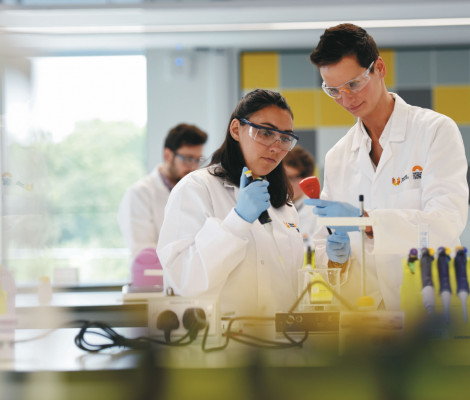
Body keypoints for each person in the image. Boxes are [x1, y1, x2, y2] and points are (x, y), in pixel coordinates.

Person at [306, 23, 468, 310]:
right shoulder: (338, 156)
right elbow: (324, 242)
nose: (346, 99)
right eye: (333, 91)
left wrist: (367, 223)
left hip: (425, 307)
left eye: (353, 84)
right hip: (362, 314)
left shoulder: (434, 131)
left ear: (379, 67)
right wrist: (333, 257)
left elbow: (447, 221)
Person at [157, 89, 304, 317]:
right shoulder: (196, 189)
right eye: (265, 133)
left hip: (280, 342)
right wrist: (238, 221)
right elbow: (183, 281)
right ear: (236, 129)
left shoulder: (283, 202)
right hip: (221, 344)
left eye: (285, 138)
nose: (276, 147)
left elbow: (290, 280)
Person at [118, 123, 208, 273]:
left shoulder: (197, 191)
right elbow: (143, 251)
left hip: (190, 281)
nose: (193, 167)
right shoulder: (140, 194)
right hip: (153, 282)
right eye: (187, 159)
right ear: (168, 155)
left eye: (198, 160)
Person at [283, 146, 318, 249]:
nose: (287, 184)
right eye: (284, 177)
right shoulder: (269, 206)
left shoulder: (316, 211)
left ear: (307, 178)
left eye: (293, 178)